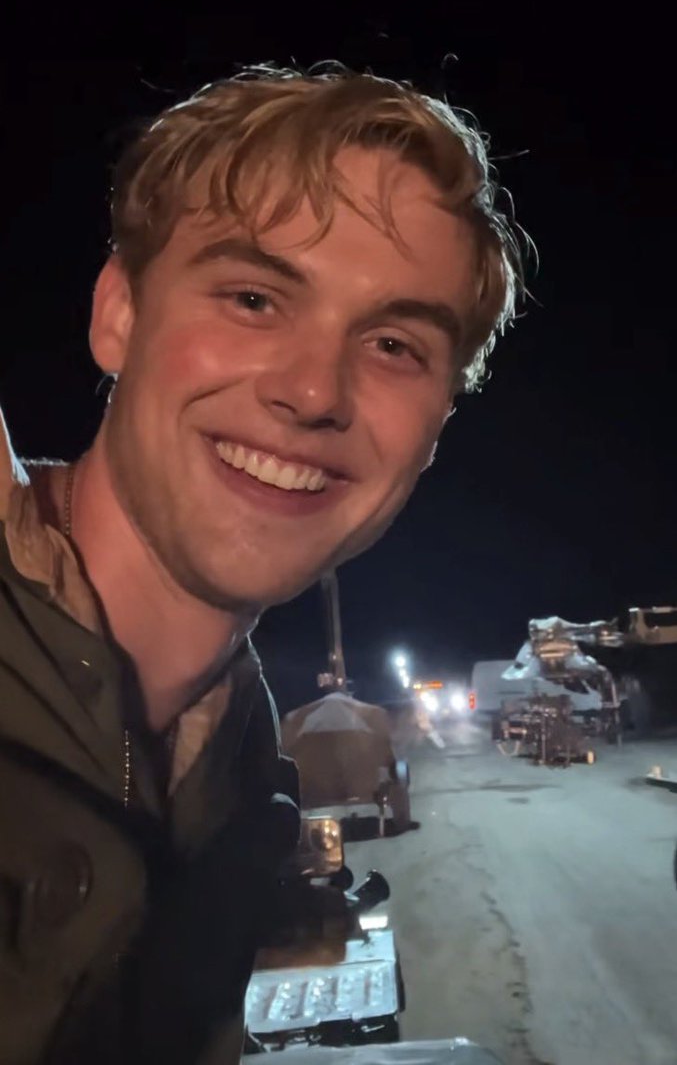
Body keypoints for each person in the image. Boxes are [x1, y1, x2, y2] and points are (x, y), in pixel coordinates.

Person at [0, 62, 526, 1063]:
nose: (313, 391)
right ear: (118, 312)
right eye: (252, 297)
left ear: (434, 429)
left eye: (392, 345)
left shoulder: (240, 767)